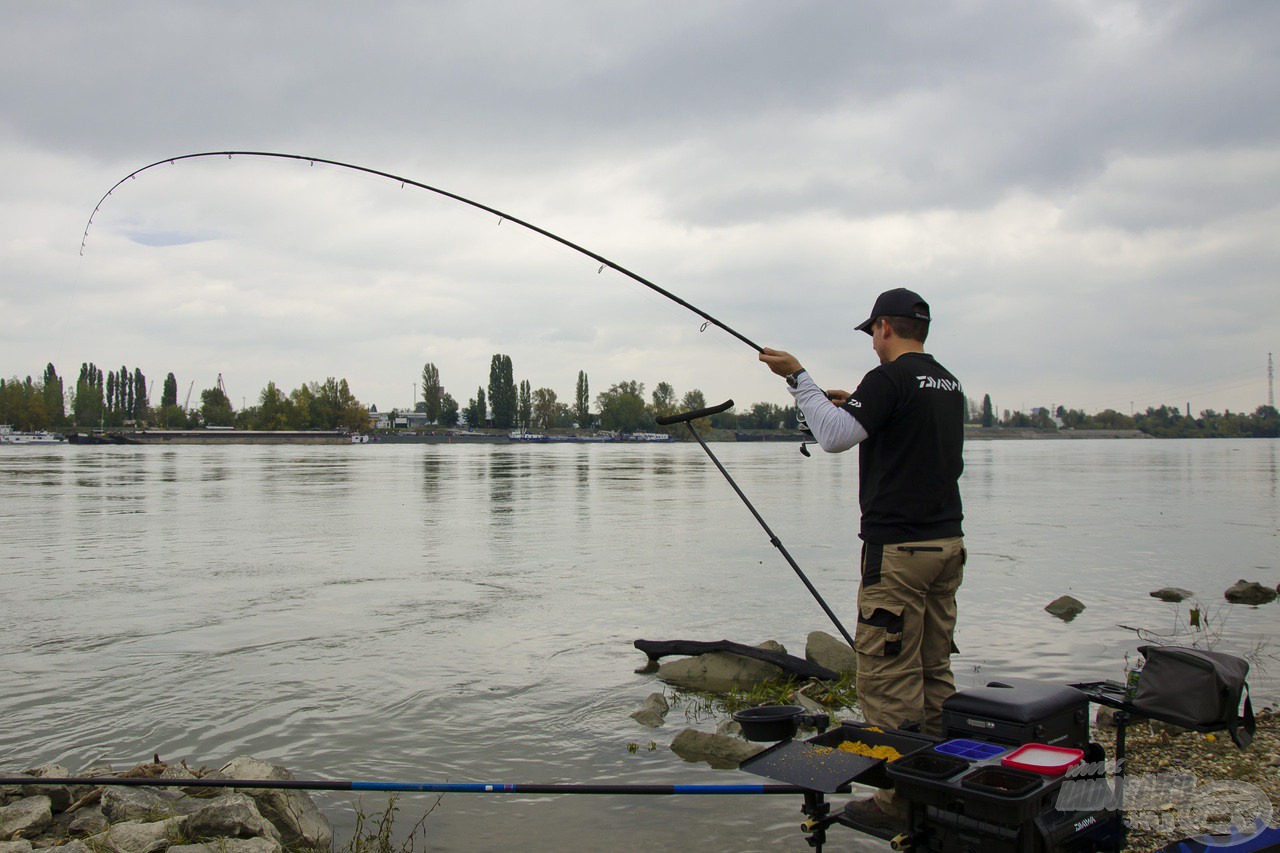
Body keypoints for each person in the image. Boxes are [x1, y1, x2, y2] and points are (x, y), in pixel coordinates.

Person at [759, 287, 965, 833]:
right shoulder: (947, 382)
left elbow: (831, 438)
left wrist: (797, 377)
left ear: (883, 329)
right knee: (932, 668)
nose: (873, 342)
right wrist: (849, 402)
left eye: (872, 332)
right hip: (947, 547)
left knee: (889, 676)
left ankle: (900, 803)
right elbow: (892, 427)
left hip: (898, 552)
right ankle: (945, 782)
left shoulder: (889, 378)